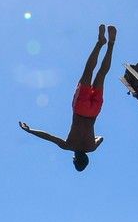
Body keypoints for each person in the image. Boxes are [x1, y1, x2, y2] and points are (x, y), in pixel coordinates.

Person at [19, 24, 116, 171]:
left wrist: (96, 139)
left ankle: (111, 44)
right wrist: (30, 130)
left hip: (94, 111)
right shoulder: (68, 145)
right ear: (75, 159)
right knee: (88, 71)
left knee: (101, 75)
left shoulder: (92, 148)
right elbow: (49, 137)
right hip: (80, 108)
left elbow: (101, 138)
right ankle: (100, 43)